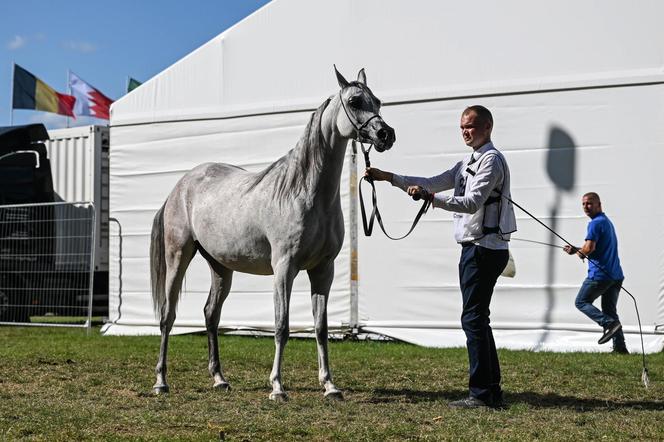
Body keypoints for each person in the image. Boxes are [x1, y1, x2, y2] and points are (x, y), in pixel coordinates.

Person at [366, 105, 517, 409]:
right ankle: (491, 389)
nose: (465, 131)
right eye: (462, 126)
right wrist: (389, 177)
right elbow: (433, 181)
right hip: (477, 248)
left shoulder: (491, 161)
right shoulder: (467, 163)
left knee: (473, 319)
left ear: (487, 128)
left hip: (484, 249)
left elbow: (472, 202)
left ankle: (481, 394)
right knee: (478, 319)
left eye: (471, 127)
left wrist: (431, 199)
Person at [563, 192, 628, 354]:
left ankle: (608, 324)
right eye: (584, 204)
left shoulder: (594, 224)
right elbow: (594, 248)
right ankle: (620, 348)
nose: (586, 207)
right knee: (610, 310)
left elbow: (589, 248)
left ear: (599, 204)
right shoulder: (605, 222)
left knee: (581, 302)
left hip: (600, 275)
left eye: (590, 203)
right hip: (615, 275)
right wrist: (577, 249)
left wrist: (579, 253)